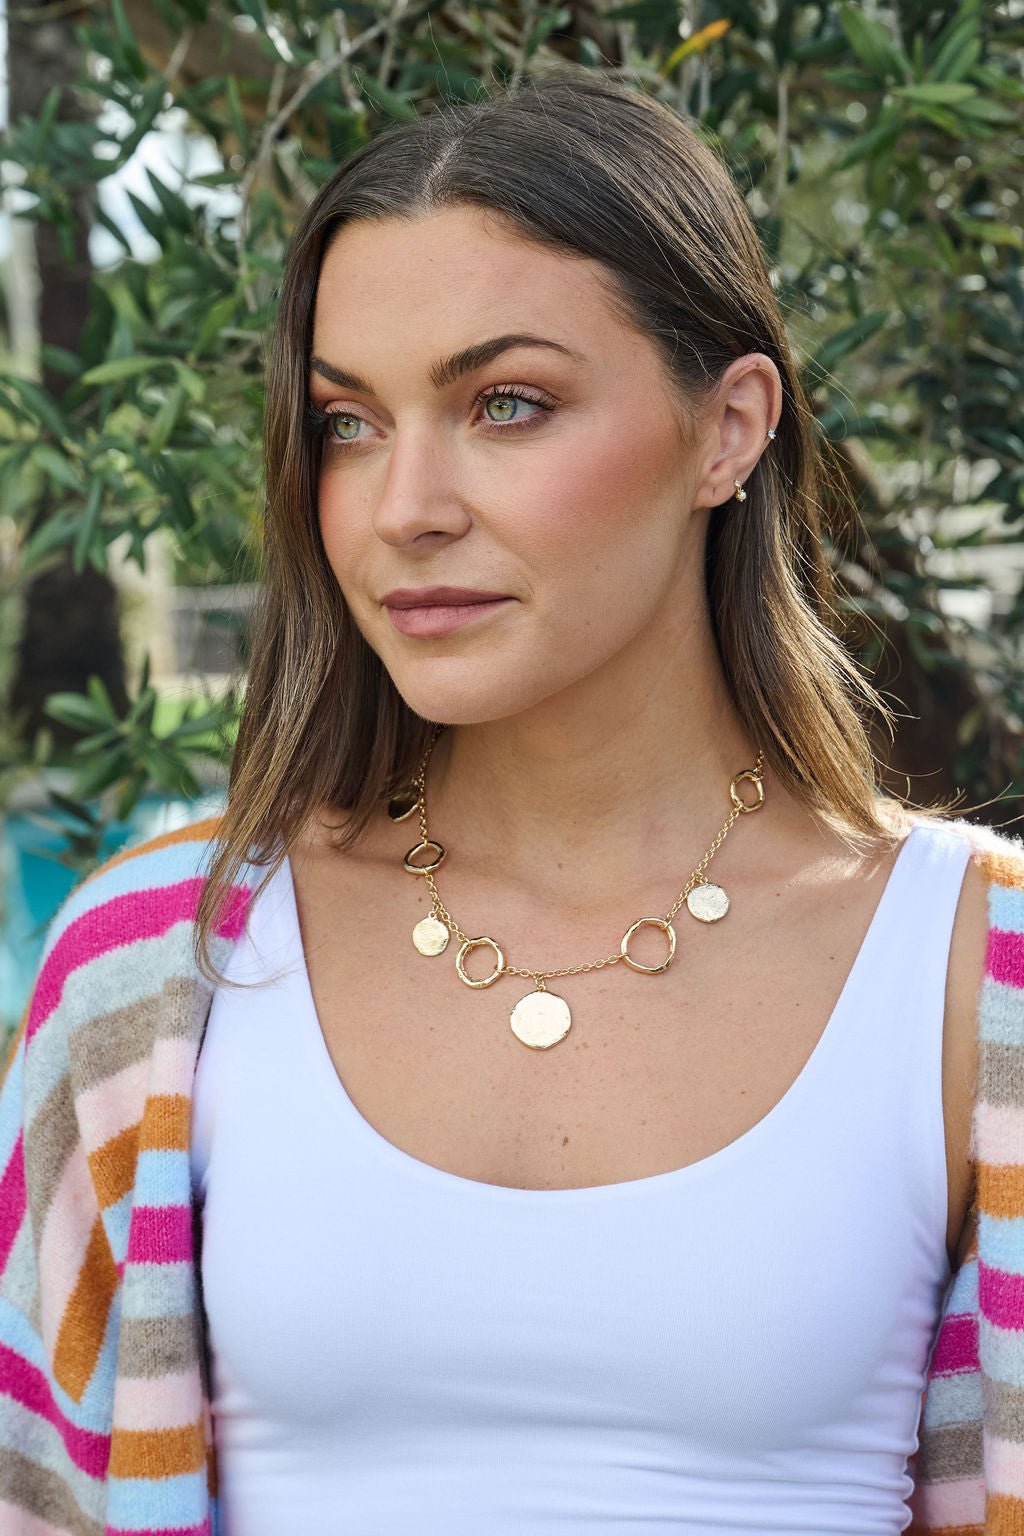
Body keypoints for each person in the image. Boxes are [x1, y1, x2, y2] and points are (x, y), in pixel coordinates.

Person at [2, 69, 1024, 1536]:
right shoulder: (151, 972)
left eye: (507, 405)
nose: (404, 507)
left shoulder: (974, 978)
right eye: (349, 423)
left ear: (728, 429)